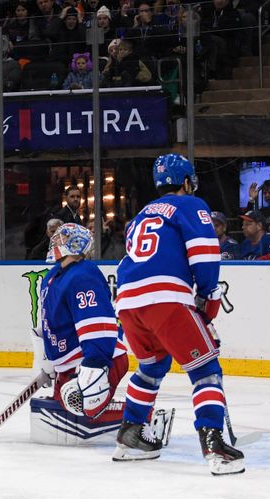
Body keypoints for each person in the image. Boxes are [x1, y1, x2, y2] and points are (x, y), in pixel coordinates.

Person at [113, 153, 245, 475]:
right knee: (206, 371)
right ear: (186, 181)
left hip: (128, 302)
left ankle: (130, 436)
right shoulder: (191, 205)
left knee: (152, 366)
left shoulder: (143, 213)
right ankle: (214, 445)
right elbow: (204, 254)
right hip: (165, 299)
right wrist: (208, 294)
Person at [28, 223, 170, 445]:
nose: (56, 241)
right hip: (73, 361)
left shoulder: (82, 276)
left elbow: (96, 325)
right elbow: (47, 324)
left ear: (75, 245)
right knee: (64, 405)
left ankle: (146, 417)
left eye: (63, 238)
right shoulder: (52, 276)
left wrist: (94, 366)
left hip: (100, 358)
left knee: (83, 405)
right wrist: (47, 363)